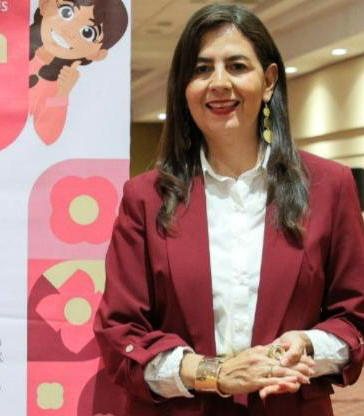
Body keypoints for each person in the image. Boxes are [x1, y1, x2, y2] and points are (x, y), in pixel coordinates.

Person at [94, 4, 364, 415]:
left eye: (237, 66)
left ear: (269, 81)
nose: (219, 83)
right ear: (184, 88)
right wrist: (214, 373)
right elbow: (120, 333)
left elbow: (354, 318)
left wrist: (307, 345)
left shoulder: (330, 187)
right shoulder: (145, 198)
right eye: (201, 70)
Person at [29, 0, 128, 144]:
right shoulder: (5, 47)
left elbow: (47, 136)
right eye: (66, 12)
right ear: (44, 5)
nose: (69, 32)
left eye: (87, 33)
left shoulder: (58, 83)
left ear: (97, 54)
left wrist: (63, 93)